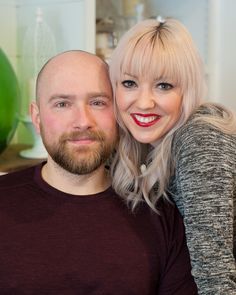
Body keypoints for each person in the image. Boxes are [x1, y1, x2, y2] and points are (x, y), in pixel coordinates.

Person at [0, 50, 197, 294]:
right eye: (62, 104)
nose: (83, 121)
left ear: (117, 113)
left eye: (97, 102)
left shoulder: (161, 215)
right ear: (37, 118)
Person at [109, 18, 236, 294]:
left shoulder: (200, 138)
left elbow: (215, 268)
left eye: (163, 86)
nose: (143, 102)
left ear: (187, 90)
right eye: (129, 83)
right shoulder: (143, 143)